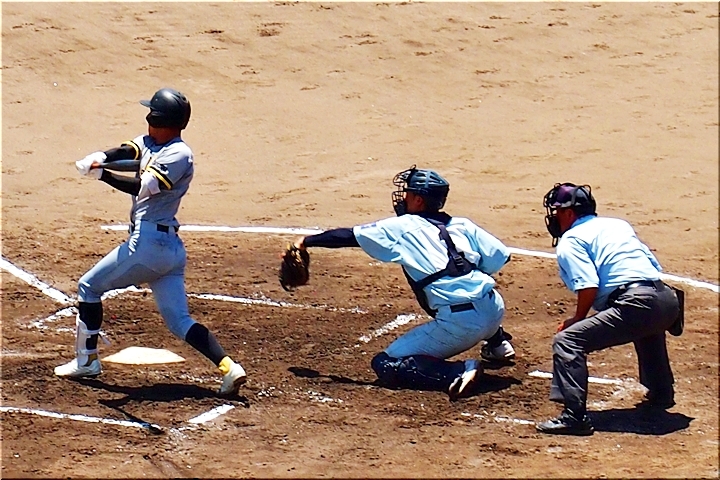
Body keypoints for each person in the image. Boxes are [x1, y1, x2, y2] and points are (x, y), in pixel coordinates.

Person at [55, 87, 247, 397]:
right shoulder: (152, 143)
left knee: (88, 287)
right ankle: (229, 368)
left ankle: (86, 361)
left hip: (147, 246)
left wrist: (103, 175)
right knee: (179, 320)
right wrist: (101, 158)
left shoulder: (179, 154)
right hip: (169, 250)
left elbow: (142, 186)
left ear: (157, 118)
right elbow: (129, 151)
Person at [289, 166, 515, 399]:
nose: (402, 197)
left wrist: (306, 241)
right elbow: (501, 256)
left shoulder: (404, 226)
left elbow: (349, 236)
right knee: (470, 290)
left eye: (407, 193)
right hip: (495, 308)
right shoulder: (463, 224)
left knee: (386, 363)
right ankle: (498, 344)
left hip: (461, 326)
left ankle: (457, 371)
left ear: (418, 200)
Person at [536, 183, 681, 436]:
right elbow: (652, 265)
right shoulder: (618, 225)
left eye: (557, 211)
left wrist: (577, 318)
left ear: (569, 213)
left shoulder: (572, 239)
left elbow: (588, 285)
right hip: (667, 300)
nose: (555, 217)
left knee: (568, 340)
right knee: (646, 325)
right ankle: (661, 392)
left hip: (638, 303)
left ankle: (574, 417)